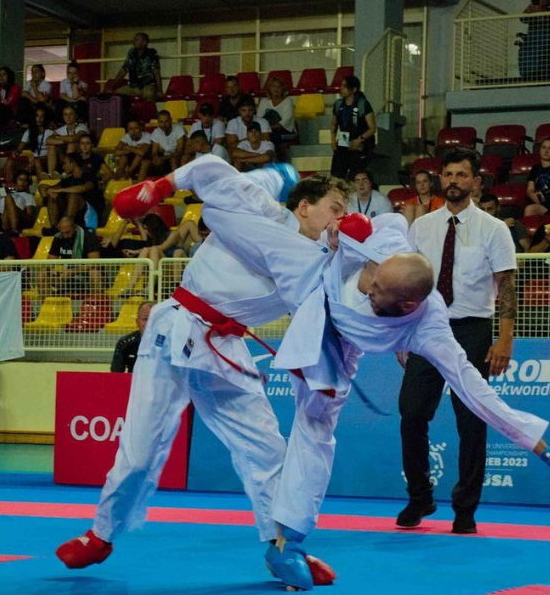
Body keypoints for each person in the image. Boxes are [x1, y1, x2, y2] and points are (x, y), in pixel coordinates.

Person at [106, 158, 550, 589]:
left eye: (376, 296)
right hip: (315, 280)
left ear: (408, 307)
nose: (368, 292)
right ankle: (174, 187)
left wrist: (546, 451)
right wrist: (343, 232)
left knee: (316, 432)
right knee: (232, 213)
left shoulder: (429, 326)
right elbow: (356, 238)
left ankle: (287, 542)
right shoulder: (379, 234)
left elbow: (476, 392)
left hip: (335, 347)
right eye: (371, 282)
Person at [56, 164, 350, 591]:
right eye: (334, 209)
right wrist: (159, 187)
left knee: (268, 449)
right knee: (140, 452)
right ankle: (101, 535)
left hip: (226, 349)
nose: (340, 219)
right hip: (174, 330)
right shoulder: (263, 211)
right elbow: (211, 168)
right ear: (304, 208)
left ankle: (283, 546)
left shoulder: (324, 264)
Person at [399, 148, 518, 534]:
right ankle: (420, 497)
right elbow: (408, 283)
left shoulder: (494, 229)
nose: (453, 180)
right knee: (412, 413)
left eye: (461, 175)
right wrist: (400, 332)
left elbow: (508, 286)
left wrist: (505, 340)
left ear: (475, 182)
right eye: (447, 174)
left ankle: (465, 508)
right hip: (425, 326)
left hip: (473, 328)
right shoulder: (421, 227)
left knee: (472, 420)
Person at [329, 75, 376, 180]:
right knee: (336, 176)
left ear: (354, 89)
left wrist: (359, 140)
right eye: (341, 85)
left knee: (356, 175)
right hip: (344, 138)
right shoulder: (338, 104)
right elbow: (333, 125)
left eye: (344, 86)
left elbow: (372, 128)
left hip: (361, 140)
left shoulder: (362, 103)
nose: (341, 88)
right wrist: (333, 141)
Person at [39, 154, 101, 230]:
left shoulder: (89, 175)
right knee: (52, 196)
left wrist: (60, 190)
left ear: (73, 163)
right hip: (73, 213)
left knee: (74, 195)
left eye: (65, 163)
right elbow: (44, 187)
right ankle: (54, 228)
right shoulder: (69, 179)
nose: (63, 167)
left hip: (89, 214)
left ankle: (67, 225)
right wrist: (50, 190)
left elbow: (82, 188)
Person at [105, 32, 162, 101]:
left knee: (149, 94)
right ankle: (126, 111)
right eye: (134, 40)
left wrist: (159, 90)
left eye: (136, 40)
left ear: (144, 42)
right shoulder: (131, 52)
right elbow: (123, 70)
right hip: (133, 87)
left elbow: (156, 72)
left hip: (148, 85)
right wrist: (112, 85)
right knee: (116, 95)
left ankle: (149, 111)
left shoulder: (151, 53)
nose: (133, 42)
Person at [519, 0, 550, 79]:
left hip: (547, 39)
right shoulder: (532, 9)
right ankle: (529, 73)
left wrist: (539, 10)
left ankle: (540, 71)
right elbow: (523, 19)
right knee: (524, 49)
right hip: (533, 39)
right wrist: (529, 9)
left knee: (540, 48)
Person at [257, 76, 297, 161]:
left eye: (279, 87)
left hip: (286, 131)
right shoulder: (264, 101)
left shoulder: (288, 101)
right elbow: (259, 118)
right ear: (269, 88)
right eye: (273, 86)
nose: (276, 89)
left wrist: (268, 129)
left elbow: (286, 121)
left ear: (283, 89)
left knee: (272, 138)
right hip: (268, 130)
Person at [45, 105, 89, 179]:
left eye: (71, 114)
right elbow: (48, 140)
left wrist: (58, 137)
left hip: (80, 156)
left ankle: (66, 173)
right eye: (65, 114)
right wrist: (64, 141)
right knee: (52, 146)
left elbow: (73, 139)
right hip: (64, 156)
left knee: (71, 144)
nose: (68, 117)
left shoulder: (82, 127)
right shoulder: (62, 129)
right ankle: (51, 175)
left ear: (76, 116)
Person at [12, 105, 54, 182]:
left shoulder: (50, 132)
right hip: (34, 161)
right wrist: (16, 152)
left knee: (37, 161)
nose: (39, 118)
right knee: (10, 162)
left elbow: (52, 154)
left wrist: (35, 160)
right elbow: (20, 148)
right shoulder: (29, 132)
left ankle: (42, 188)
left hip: (46, 161)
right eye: (37, 116)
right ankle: (12, 188)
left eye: (42, 116)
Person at [110, 301, 154, 373]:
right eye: (145, 319)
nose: (149, 323)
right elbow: (115, 376)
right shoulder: (125, 343)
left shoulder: (168, 344)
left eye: (153, 319)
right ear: (137, 322)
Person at [149, 110, 186, 177]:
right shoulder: (156, 132)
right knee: (151, 162)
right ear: (158, 122)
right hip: (164, 157)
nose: (164, 124)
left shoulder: (179, 129)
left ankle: (176, 184)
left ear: (171, 121)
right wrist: (156, 158)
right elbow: (154, 152)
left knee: (173, 160)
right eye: (161, 122)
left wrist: (163, 158)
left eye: (166, 121)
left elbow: (179, 152)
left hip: (177, 157)